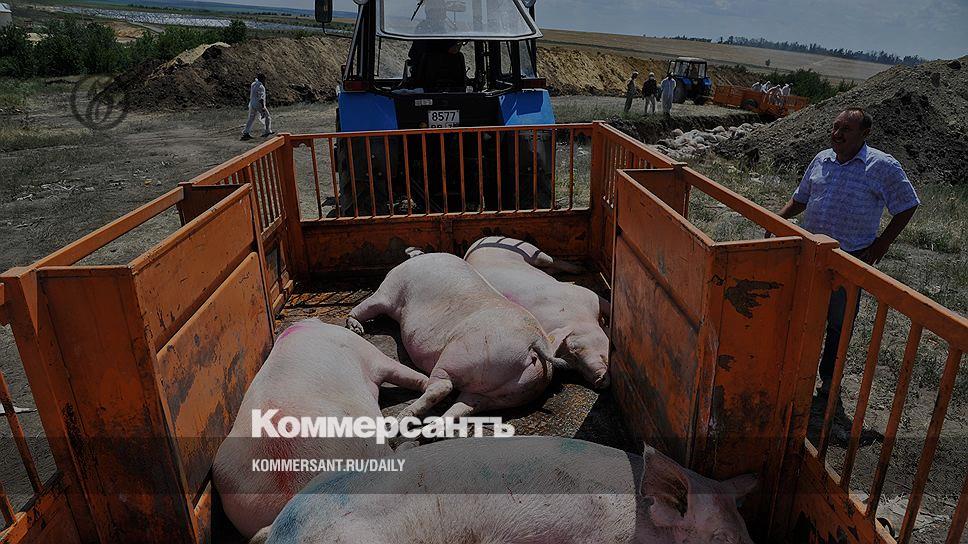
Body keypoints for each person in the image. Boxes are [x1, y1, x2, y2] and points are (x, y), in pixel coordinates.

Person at [772, 108, 919, 400]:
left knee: (839, 324)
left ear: (865, 134)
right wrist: (777, 220)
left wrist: (882, 244)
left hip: (849, 259)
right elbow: (801, 199)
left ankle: (829, 381)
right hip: (811, 253)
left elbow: (907, 204)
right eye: (835, 127)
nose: (837, 134)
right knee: (802, 315)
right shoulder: (822, 159)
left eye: (846, 129)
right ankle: (794, 373)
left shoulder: (881, 165)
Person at [241, 73, 274, 141]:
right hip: (258, 103)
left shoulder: (253, 84)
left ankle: (246, 132)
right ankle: (267, 130)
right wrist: (263, 107)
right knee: (267, 116)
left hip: (252, 103)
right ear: (262, 79)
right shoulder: (261, 87)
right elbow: (261, 98)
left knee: (251, 118)